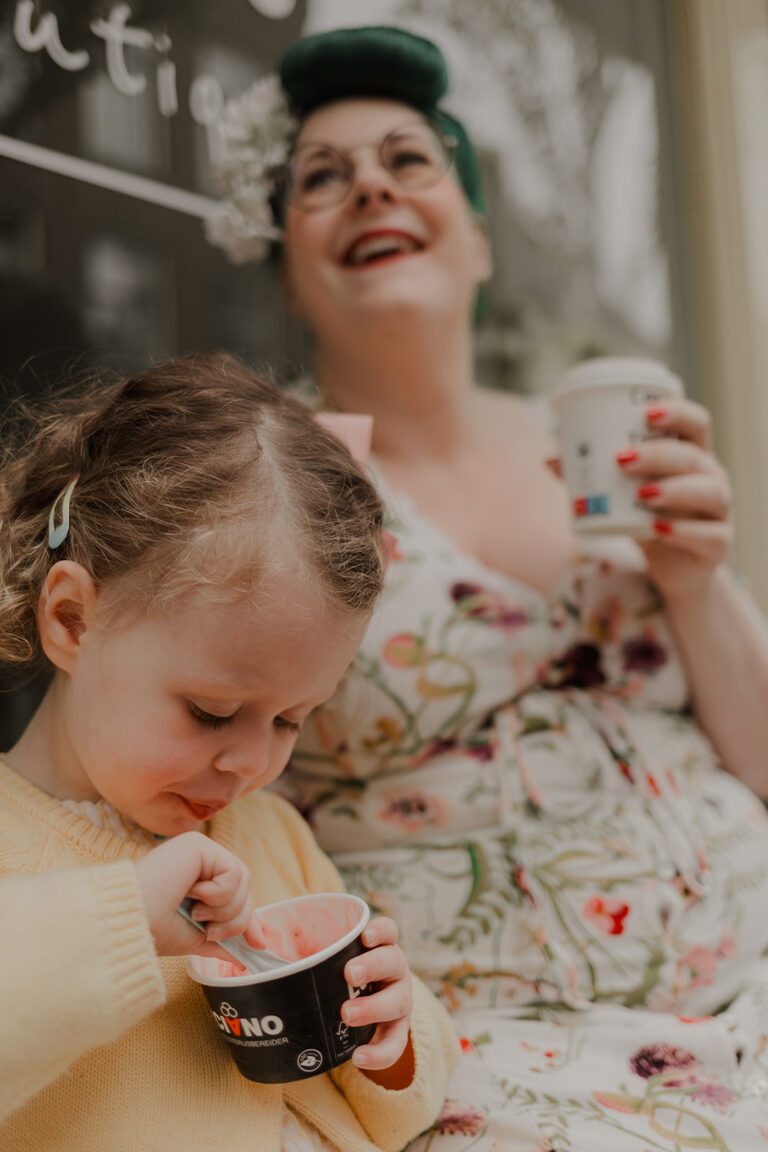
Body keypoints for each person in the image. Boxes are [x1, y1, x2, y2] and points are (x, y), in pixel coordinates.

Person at [205, 24, 768, 1151]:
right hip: (501, 1046)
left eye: (410, 162)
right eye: (323, 178)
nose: (371, 184)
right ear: (287, 272)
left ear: (476, 241)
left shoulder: (592, 440)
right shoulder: (272, 488)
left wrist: (698, 582)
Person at [0, 351, 459, 1152]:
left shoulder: (272, 838)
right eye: (212, 713)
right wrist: (119, 923)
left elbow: (393, 1106)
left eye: (291, 720)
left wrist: (394, 1034)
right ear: (72, 620)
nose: (252, 762)